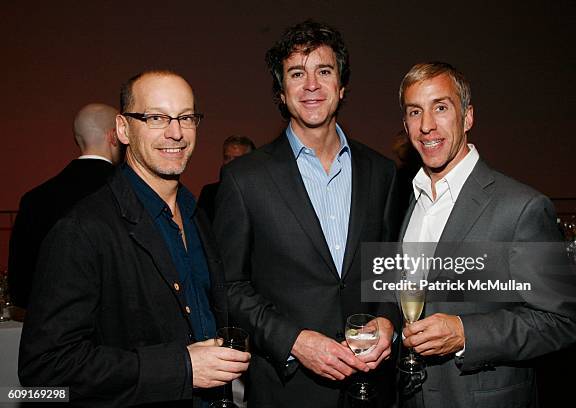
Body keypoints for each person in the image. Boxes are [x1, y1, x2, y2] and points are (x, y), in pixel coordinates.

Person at [19, 70, 250, 407]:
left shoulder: (196, 214)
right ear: (124, 129)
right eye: (156, 118)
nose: (176, 133)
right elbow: (44, 369)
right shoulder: (83, 229)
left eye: (186, 118)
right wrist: (181, 367)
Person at [213, 20, 400, 407]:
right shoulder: (244, 179)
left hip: (370, 388)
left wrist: (387, 322)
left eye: (324, 71)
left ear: (342, 86)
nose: (311, 85)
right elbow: (230, 287)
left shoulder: (380, 171)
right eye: (297, 73)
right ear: (281, 92)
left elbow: (388, 267)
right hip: (288, 389)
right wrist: (294, 341)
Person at [398, 62, 576, 407]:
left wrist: (465, 334)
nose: (426, 125)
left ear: (467, 117)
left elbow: (562, 321)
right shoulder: (409, 200)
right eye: (415, 112)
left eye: (441, 107)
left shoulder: (522, 207)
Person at [8, 103, 123, 309]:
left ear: (78, 140)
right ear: (114, 136)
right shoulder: (129, 193)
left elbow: (20, 289)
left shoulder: (34, 200)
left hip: (54, 326)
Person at [197, 135, 255, 220]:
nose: (230, 163)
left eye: (237, 159)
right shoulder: (209, 193)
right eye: (227, 158)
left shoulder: (258, 194)